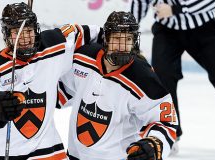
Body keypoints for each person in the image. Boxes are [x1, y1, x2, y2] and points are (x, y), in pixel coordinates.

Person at [0, 2, 101, 159]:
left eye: (28, 30)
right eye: (16, 32)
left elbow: (89, 34)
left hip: (48, 148)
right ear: (6, 34)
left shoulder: (54, 44)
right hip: (1, 153)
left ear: (36, 30)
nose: (25, 37)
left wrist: (124, 51)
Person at [58, 11, 178, 160]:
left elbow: (166, 122)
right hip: (75, 156)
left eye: (128, 39)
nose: (122, 46)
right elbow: (60, 92)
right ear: (106, 39)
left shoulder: (143, 78)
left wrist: (154, 143)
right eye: (116, 38)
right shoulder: (83, 59)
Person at [131, 0, 215, 146]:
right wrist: (129, 30)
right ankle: (169, 133)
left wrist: (176, 9)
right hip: (167, 29)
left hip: (203, 28)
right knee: (161, 80)